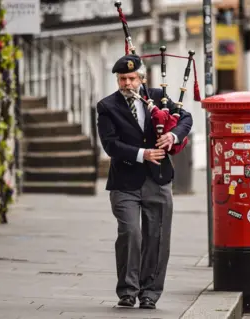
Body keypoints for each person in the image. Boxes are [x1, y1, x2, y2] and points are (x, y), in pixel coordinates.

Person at [96, 54, 193, 310]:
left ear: (142, 78)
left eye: (131, 78)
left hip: (158, 180)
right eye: (122, 79)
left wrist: (172, 135)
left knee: (157, 237)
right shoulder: (107, 107)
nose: (127, 84)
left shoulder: (157, 98)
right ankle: (128, 290)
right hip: (124, 182)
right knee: (131, 233)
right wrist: (143, 154)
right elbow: (110, 145)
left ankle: (150, 292)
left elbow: (186, 118)